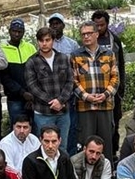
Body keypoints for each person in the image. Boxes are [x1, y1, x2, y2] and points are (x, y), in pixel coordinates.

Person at [72, 21, 119, 160]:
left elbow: (115, 78)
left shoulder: (108, 54)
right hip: (85, 107)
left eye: (89, 33)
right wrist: (86, 96)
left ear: (97, 34)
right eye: (83, 34)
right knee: (86, 144)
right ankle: (85, 173)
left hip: (105, 106)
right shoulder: (75, 55)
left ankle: (107, 171)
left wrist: (106, 95)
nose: (86, 37)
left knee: (106, 144)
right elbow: (73, 80)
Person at [25, 25, 74, 145]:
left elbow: (70, 81)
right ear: (37, 42)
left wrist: (60, 101)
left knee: (62, 146)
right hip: (43, 113)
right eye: (41, 40)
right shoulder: (32, 61)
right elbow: (32, 86)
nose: (44, 44)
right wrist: (52, 102)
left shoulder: (63, 58)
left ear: (53, 40)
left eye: (47, 40)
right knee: (46, 146)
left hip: (63, 112)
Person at [92, 9, 126, 148]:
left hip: (113, 90)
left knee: (114, 122)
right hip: (94, 89)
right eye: (96, 25)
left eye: (102, 25)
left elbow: (121, 64)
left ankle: (113, 151)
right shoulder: (89, 41)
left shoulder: (115, 41)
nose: (99, 28)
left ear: (107, 23)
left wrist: (121, 87)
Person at [0, 18, 35, 128]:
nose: (16, 34)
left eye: (19, 32)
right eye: (14, 31)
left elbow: (36, 73)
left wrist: (32, 95)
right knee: (18, 129)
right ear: (9, 31)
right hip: (14, 99)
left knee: (34, 129)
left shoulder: (30, 48)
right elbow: (4, 78)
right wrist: (22, 93)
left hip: (32, 98)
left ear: (23, 32)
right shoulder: (2, 50)